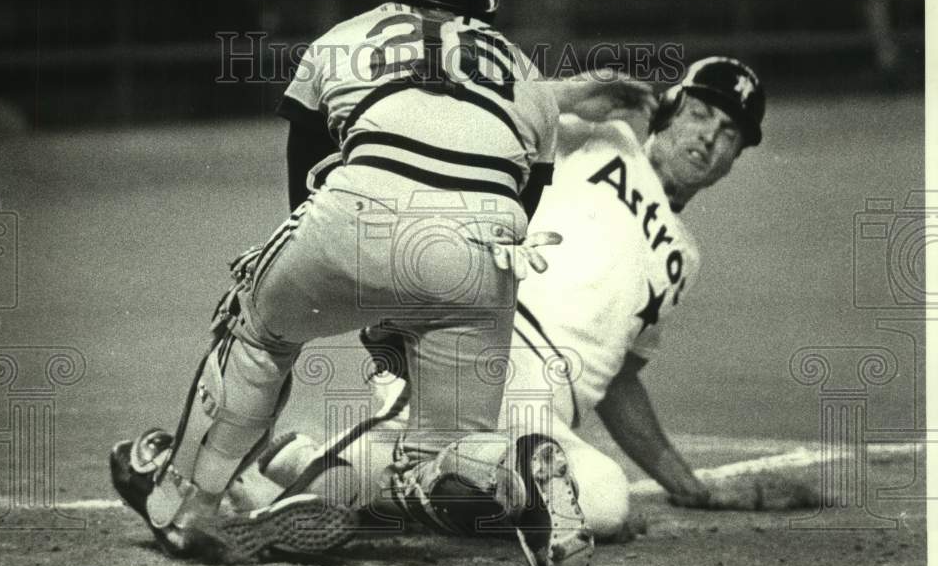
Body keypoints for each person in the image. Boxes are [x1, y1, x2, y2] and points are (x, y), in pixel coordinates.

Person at [109, 0, 605, 566]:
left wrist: (365, 293)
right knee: (442, 453)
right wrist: (426, 308)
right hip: (485, 247)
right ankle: (518, 469)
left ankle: (184, 503)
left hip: (361, 213)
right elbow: (522, 209)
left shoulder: (342, 39)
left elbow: (306, 190)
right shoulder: (530, 79)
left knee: (257, 327)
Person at [233, 56, 766, 540]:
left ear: (735, 157)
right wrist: (569, 93)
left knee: (606, 501)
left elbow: (620, 379)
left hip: (541, 422)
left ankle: (319, 465)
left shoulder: (684, 260)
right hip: (479, 349)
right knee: (450, 456)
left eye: (729, 134)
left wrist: (688, 485)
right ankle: (288, 501)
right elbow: (487, 113)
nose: (710, 139)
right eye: (699, 114)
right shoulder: (600, 140)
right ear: (670, 110)